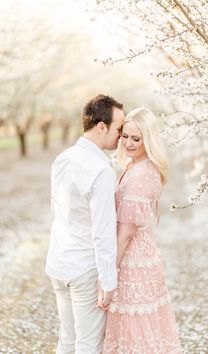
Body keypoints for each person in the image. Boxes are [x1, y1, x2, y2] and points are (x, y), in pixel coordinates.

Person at [45, 94, 124, 354]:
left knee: (66, 341)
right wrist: (108, 281)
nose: (121, 136)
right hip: (85, 269)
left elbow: (58, 210)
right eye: (119, 128)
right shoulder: (101, 171)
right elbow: (103, 233)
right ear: (102, 126)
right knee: (89, 345)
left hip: (59, 262)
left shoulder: (63, 158)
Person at [103, 108, 182, 353]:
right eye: (125, 136)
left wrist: (108, 270)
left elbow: (126, 232)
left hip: (133, 261)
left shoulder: (143, 172)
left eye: (135, 139)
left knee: (136, 332)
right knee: (131, 331)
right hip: (137, 256)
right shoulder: (134, 165)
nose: (127, 143)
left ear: (148, 140)